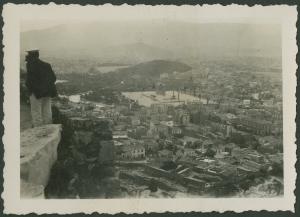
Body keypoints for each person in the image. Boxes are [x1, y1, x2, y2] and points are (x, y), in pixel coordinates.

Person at [25, 49, 58, 127]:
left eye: (28, 55)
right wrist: (45, 86)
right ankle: (48, 130)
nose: (26, 56)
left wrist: (31, 90)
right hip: (47, 92)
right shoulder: (47, 65)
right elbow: (53, 78)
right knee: (47, 111)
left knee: (36, 113)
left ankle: (38, 132)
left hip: (36, 92)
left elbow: (29, 81)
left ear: (31, 56)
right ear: (38, 55)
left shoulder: (30, 65)